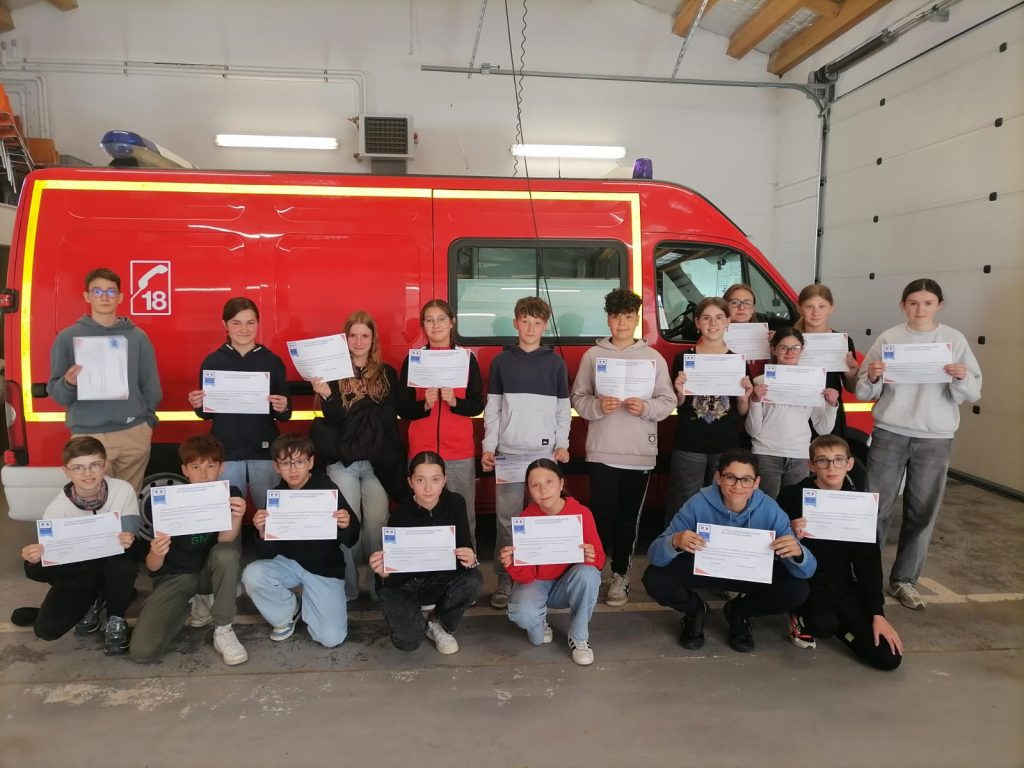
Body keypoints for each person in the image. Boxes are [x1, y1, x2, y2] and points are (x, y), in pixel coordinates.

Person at [856, 278, 981, 610]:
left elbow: (974, 391)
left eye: (927, 303)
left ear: (939, 305)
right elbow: (863, 390)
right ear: (903, 306)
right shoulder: (889, 338)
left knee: (922, 510)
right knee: (876, 508)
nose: (920, 309)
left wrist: (961, 377)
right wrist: (872, 376)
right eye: (913, 303)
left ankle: (904, 580)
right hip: (890, 431)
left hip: (935, 437)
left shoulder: (953, 340)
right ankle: (866, 575)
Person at [643, 448, 816, 653]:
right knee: (655, 578)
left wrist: (797, 552)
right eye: (730, 477)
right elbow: (655, 556)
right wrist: (675, 540)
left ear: (757, 482)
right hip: (705, 569)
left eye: (746, 479)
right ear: (718, 477)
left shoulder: (769, 509)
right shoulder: (698, 504)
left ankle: (739, 612)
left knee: (797, 590)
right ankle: (695, 610)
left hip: (750, 572)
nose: (738, 486)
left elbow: (807, 571)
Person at [570, 288, 674, 606]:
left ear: (636, 319)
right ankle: (595, 572)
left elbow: (668, 401)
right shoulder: (592, 356)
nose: (621, 323)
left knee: (629, 519)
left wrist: (646, 409)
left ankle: (620, 576)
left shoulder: (653, 358)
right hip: (602, 450)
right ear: (608, 319)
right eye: (616, 317)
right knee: (600, 515)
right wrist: (599, 405)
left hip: (638, 452)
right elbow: (578, 398)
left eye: (628, 316)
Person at [777, 435, 903, 670]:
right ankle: (799, 615)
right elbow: (773, 546)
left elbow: (869, 563)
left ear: (850, 464)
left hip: (842, 584)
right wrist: (790, 532)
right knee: (822, 624)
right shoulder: (792, 496)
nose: (831, 467)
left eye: (838, 460)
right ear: (811, 465)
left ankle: (843, 627)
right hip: (805, 582)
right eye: (823, 461)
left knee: (888, 658)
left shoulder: (860, 506)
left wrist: (877, 613)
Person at [481, 297, 570, 610]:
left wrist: (563, 443)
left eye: (537, 323)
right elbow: (492, 408)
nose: (531, 328)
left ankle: (541, 574)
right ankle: (506, 576)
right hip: (507, 452)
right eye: (525, 321)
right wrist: (488, 446)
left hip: (544, 455)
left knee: (542, 518)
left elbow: (563, 409)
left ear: (544, 326)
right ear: (515, 322)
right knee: (507, 520)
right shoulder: (501, 362)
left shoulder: (556, 363)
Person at [129, 435, 248, 666]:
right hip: (174, 577)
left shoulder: (230, 493)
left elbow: (226, 540)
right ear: (185, 470)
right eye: (195, 467)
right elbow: (153, 566)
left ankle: (222, 629)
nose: (203, 474)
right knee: (142, 652)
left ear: (221, 468)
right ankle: (187, 604)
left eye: (211, 466)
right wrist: (157, 551)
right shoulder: (165, 502)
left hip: (208, 573)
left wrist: (238, 516)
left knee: (226, 553)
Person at [19, 436, 139, 655]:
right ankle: (93, 599)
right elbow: (53, 562)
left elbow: (131, 531)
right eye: (78, 467)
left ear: (105, 465)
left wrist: (128, 536)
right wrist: (35, 556)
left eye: (94, 465)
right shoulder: (57, 509)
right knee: (46, 629)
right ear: (66, 471)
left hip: (114, 563)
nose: (87, 473)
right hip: (82, 572)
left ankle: (116, 616)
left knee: (127, 555)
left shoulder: (122, 490)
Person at [311, 310, 401, 601]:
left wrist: (355, 415)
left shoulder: (387, 373)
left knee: (377, 527)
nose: (359, 341)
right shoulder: (332, 373)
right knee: (346, 526)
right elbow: (334, 419)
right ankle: (348, 589)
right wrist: (327, 395)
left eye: (365, 335)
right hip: (342, 462)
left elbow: (388, 420)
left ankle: (379, 587)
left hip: (377, 463)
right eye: (353, 335)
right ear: (345, 338)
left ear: (373, 338)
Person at [47, 268, 162, 492]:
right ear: (86, 296)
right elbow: (58, 394)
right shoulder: (67, 337)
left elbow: (151, 386)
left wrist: (146, 421)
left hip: (133, 433)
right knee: (93, 503)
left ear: (120, 297)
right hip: (88, 435)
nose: (104, 296)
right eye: (97, 291)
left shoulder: (137, 337)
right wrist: (69, 383)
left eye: (111, 291)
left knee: (128, 500)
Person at [241, 433, 360, 647]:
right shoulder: (276, 498)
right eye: (285, 463)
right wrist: (261, 532)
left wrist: (346, 524)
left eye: (299, 462)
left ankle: (318, 601)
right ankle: (289, 611)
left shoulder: (327, 490)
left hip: (324, 568)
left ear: (311, 462)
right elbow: (266, 554)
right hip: (289, 564)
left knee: (330, 638)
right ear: (276, 467)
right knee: (253, 573)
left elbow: (351, 539)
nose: (293, 469)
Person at [369, 452, 483, 655]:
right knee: (408, 642)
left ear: (444, 480)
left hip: (440, 578)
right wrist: (384, 573)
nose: (428, 488)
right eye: (420, 480)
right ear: (410, 482)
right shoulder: (400, 514)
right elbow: (394, 570)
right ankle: (414, 617)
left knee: (473, 579)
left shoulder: (455, 503)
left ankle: (440, 623)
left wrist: (471, 559)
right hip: (406, 582)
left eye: (435, 480)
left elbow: (464, 547)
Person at [188, 297, 291, 510]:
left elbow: (285, 414)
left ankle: (266, 544)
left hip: (263, 450)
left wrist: (284, 406)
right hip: (226, 452)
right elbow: (205, 414)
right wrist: (198, 404)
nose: (244, 329)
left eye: (250, 322)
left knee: (270, 515)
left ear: (258, 324)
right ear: (225, 325)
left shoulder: (271, 361)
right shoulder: (213, 361)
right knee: (227, 515)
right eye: (236, 323)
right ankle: (229, 545)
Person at [397, 299, 485, 546]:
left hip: (458, 452)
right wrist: (423, 405)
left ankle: (468, 571)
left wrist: (455, 402)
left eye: (441, 319)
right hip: (422, 453)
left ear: (451, 323)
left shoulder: (466, 359)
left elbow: (478, 405)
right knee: (421, 517)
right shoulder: (413, 360)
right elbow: (403, 409)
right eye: (429, 320)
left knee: (463, 516)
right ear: (423, 325)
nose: (435, 325)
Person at [502, 459, 604, 666]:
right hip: (538, 583)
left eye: (549, 481)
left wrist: (591, 556)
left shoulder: (581, 513)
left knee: (589, 574)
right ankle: (540, 621)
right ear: (529, 490)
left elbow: (599, 561)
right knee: (531, 628)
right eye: (535, 485)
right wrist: (512, 563)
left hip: (568, 584)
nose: (543, 489)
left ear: (561, 483)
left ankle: (579, 636)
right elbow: (527, 576)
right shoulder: (525, 519)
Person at [665, 296, 753, 521]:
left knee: (723, 502)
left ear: (728, 322)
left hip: (725, 445)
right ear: (697, 323)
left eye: (718, 318)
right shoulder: (683, 359)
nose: (713, 324)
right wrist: (679, 392)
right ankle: (679, 549)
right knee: (683, 501)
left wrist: (745, 397)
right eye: (706, 318)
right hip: (689, 444)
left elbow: (742, 412)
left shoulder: (738, 361)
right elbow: (678, 405)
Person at [746, 328, 839, 498]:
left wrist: (832, 404)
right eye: (783, 347)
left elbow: (823, 429)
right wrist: (755, 401)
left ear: (802, 349)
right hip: (766, 454)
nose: (789, 352)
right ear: (774, 349)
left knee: (793, 512)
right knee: (765, 511)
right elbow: (752, 430)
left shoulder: (813, 382)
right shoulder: (761, 382)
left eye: (795, 348)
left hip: (800, 456)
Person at [793, 284, 860, 438]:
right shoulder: (789, 340)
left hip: (829, 410)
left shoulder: (843, 341)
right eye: (809, 306)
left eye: (822, 306)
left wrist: (851, 375)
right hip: (796, 410)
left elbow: (851, 388)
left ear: (831, 308)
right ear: (799, 308)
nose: (816, 312)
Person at [722, 282, 767, 380]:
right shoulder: (713, 336)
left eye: (747, 303)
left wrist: (777, 342)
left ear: (753, 309)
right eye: (734, 302)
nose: (741, 308)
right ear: (725, 306)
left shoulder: (765, 337)